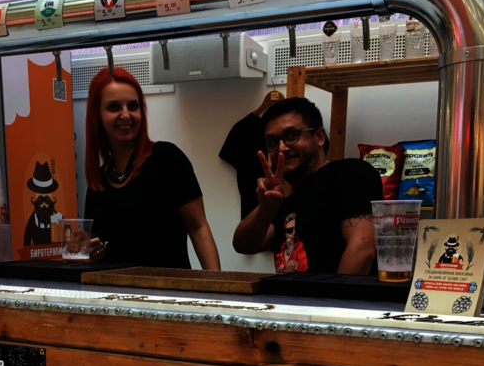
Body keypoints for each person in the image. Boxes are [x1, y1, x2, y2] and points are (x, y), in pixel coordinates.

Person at [83, 67, 220, 270]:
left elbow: (198, 228)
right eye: (113, 107)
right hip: (113, 288)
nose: (126, 115)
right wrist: (89, 252)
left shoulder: (166, 158)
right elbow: (93, 246)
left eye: (133, 106)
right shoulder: (98, 181)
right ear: (97, 115)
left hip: (169, 288)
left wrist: (216, 285)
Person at [232, 97, 383, 274]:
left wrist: (335, 294)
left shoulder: (348, 173)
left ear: (319, 137)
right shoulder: (286, 203)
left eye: (292, 136)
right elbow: (244, 245)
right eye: (273, 142)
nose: (282, 148)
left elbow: (362, 249)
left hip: (334, 293)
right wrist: (266, 207)